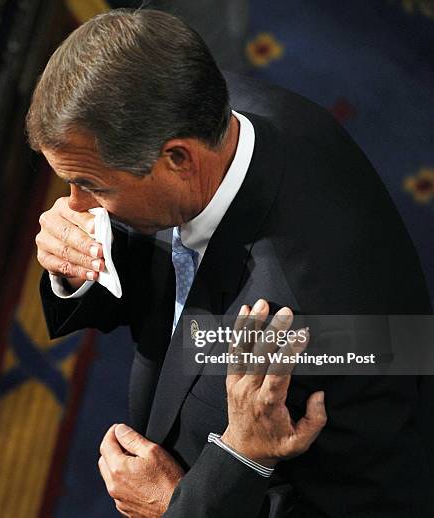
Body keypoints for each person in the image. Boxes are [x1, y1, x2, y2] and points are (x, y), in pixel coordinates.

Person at [27, 8, 433, 517]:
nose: (75, 205)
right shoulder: (214, 104)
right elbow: (160, 269)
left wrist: (186, 502)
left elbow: (383, 505)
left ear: (179, 160)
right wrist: (73, 266)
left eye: (94, 185)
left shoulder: (308, 325)